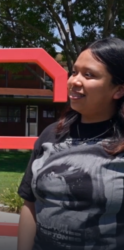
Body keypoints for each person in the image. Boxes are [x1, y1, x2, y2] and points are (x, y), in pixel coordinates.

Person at [17, 37, 124, 250]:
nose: (74, 81)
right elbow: (30, 204)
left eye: (89, 75)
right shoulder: (51, 135)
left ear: (118, 90)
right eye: (74, 72)